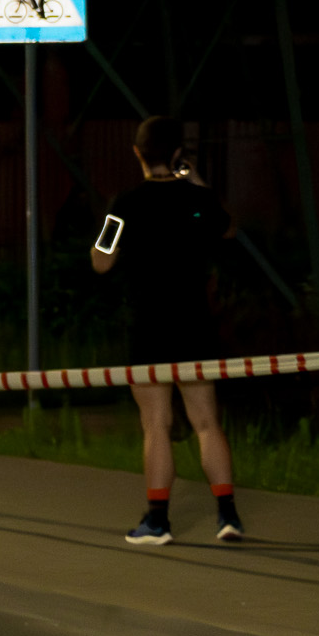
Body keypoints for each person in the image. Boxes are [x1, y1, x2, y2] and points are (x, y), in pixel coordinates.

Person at [92, 114, 244, 546]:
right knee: (207, 422)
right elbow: (229, 228)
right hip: (194, 325)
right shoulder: (199, 199)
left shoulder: (125, 204)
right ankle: (228, 515)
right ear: (178, 153)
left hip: (149, 328)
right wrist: (193, 180)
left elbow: (101, 261)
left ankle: (157, 521)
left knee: (156, 424)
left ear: (137, 153)